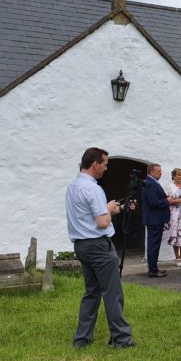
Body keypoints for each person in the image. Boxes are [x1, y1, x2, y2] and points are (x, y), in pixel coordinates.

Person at [66, 147, 134, 348]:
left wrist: (118, 208)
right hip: (98, 246)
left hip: (82, 245)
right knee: (112, 293)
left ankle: (82, 339)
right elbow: (102, 222)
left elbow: (89, 215)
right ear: (95, 164)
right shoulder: (93, 189)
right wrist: (110, 209)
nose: (106, 169)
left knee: (92, 292)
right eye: (104, 164)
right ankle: (122, 339)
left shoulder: (73, 186)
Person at [142, 163, 170, 278]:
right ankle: (153, 270)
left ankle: (154, 268)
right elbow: (153, 202)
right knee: (153, 244)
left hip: (154, 219)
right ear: (152, 172)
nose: (161, 173)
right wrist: (167, 201)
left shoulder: (150, 182)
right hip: (154, 219)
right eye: (158, 171)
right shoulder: (151, 184)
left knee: (154, 244)